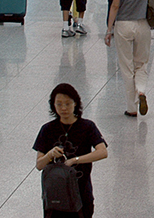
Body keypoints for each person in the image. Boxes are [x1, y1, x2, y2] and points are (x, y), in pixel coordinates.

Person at [33, 84, 108, 218]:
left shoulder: (87, 126)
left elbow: (102, 152)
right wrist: (50, 154)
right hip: (55, 196)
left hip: (81, 192)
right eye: (59, 104)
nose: (63, 108)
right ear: (53, 105)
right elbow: (39, 165)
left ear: (75, 103)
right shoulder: (47, 129)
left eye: (68, 104)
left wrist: (75, 160)